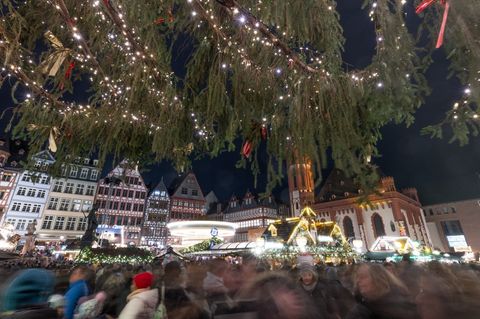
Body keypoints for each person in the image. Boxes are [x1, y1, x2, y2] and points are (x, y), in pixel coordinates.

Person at [346, 263, 419, 319]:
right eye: (357, 277)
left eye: (363, 277)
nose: (358, 281)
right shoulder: (362, 306)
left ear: (378, 279)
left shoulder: (400, 304)